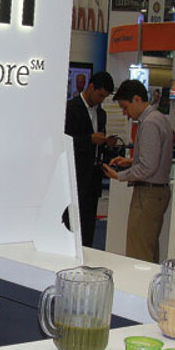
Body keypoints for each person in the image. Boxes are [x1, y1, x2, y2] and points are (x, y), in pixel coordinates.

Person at [103, 79, 173, 263]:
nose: (125, 113)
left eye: (125, 107)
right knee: (148, 249)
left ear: (136, 99)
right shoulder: (159, 118)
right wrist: (130, 161)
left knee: (139, 253)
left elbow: (148, 167)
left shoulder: (149, 123)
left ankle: (140, 283)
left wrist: (119, 175)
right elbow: (153, 159)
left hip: (148, 194)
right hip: (155, 193)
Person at [64, 71, 114, 247]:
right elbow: (64, 141)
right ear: (91, 87)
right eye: (100, 95)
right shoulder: (70, 109)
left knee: (88, 226)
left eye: (104, 97)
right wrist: (89, 140)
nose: (101, 100)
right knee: (71, 223)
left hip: (93, 179)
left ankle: (86, 254)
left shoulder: (101, 114)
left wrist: (107, 143)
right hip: (74, 175)